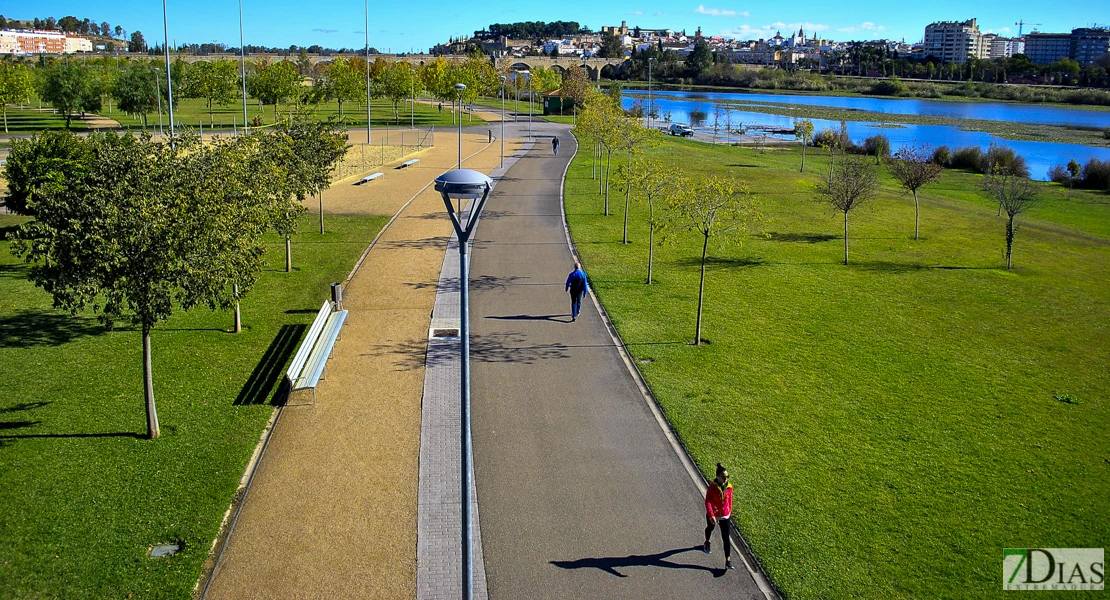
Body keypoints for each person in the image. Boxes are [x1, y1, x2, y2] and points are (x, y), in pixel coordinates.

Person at [703, 462, 734, 570]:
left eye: (727, 477)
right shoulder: (713, 487)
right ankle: (707, 541)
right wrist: (711, 515)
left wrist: (729, 510)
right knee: (710, 528)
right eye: (723, 477)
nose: (726, 479)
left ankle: (728, 560)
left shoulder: (729, 487)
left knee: (726, 537)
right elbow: (708, 501)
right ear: (718, 477)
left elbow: (729, 500)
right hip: (714, 514)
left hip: (725, 515)